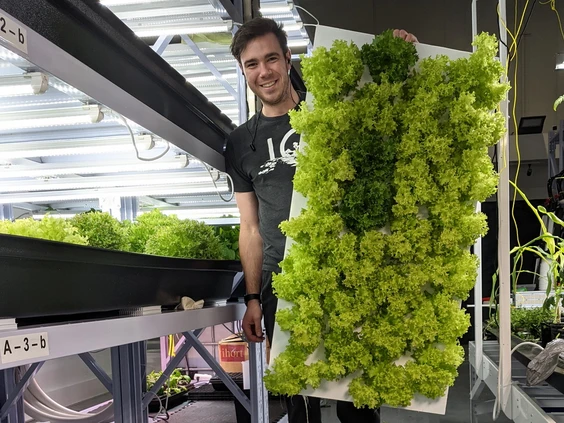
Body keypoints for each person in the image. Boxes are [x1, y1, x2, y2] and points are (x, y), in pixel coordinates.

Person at [224, 17, 417, 423]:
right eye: (252, 64)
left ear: (288, 57)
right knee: (301, 404)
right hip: (285, 282)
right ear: (243, 70)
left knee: (358, 402)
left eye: (271, 58)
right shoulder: (242, 142)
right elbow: (250, 228)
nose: (264, 72)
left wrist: (399, 56)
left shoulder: (333, 110)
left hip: (347, 280)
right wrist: (254, 298)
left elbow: (391, 118)